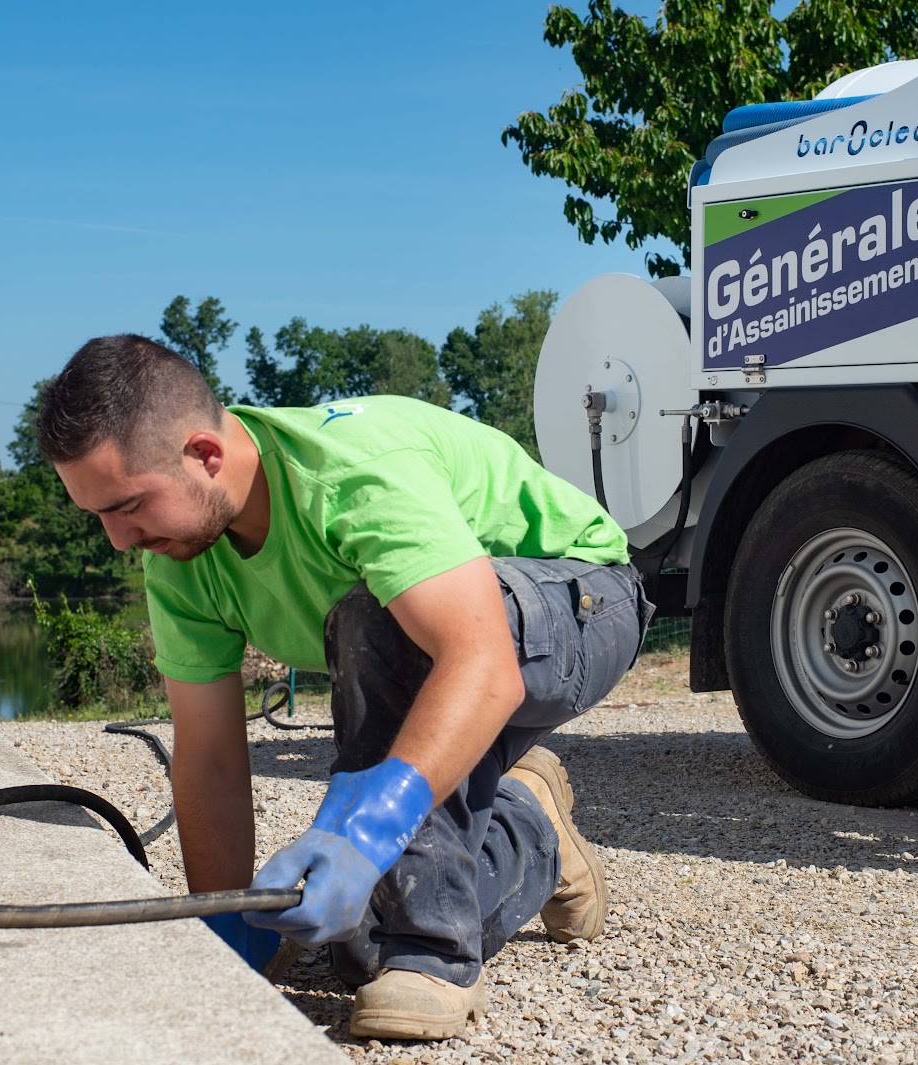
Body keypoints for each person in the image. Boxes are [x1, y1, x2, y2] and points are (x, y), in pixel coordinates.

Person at [36, 334, 651, 1040]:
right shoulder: (177, 550)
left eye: (128, 505)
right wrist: (225, 923)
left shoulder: (351, 474)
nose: (118, 539)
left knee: (375, 617)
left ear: (205, 455)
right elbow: (207, 754)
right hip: (450, 654)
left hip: (580, 601)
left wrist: (371, 825)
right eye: (101, 516)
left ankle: (436, 958)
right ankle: (528, 822)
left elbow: (479, 659)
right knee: (356, 946)